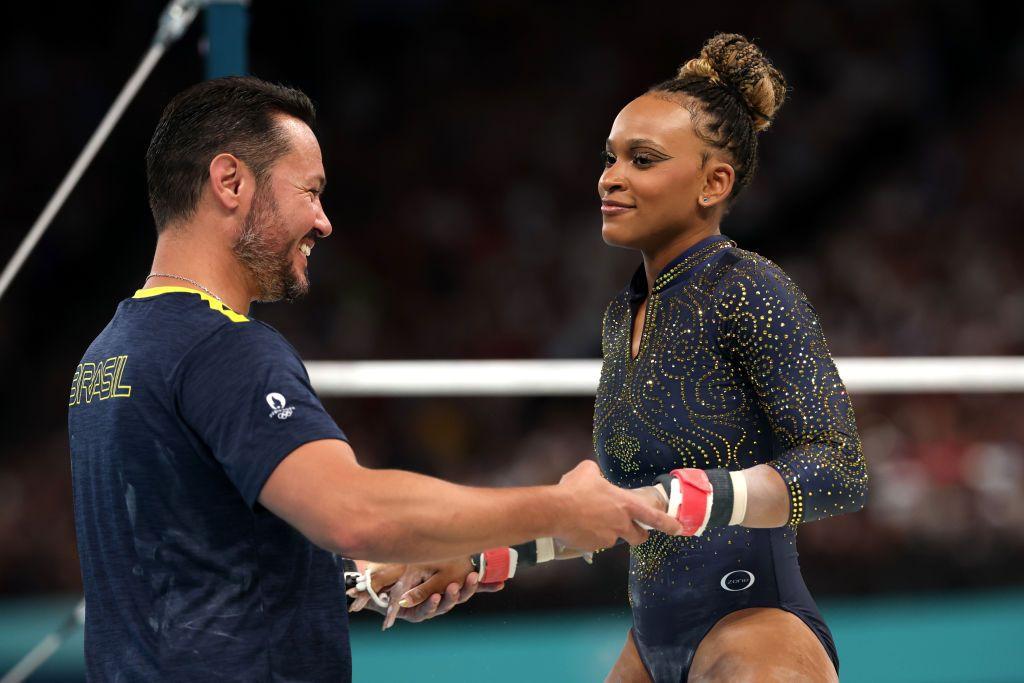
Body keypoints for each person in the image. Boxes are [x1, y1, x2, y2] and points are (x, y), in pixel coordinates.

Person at [66, 76, 681, 682]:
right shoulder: (225, 349)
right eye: (309, 191)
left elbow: (192, 560)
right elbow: (351, 511)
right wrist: (558, 508)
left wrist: (356, 571)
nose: (324, 221)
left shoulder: (108, 354)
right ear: (230, 181)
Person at [362, 33, 869, 683]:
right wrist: (488, 558)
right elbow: (623, 510)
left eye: (643, 159)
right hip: (652, 644)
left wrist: (694, 495)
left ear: (714, 182)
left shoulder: (748, 288)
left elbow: (840, 467)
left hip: (754, 629)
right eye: (610, 158)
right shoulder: (621, 315)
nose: (611, 177)